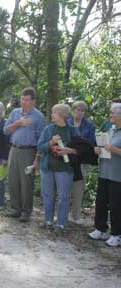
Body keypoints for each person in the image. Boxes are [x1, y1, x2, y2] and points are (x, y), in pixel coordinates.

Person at [4, 87, 45, 222]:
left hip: (29, 151)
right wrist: (19, 123)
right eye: (22, 99)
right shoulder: (15, 113)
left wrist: (37, 158)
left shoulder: (38, 116)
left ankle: (26, 212)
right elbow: (6, 130)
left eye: (27, 100)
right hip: (14, 150)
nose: (24, 102)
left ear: (33, 101)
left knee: (27, 182)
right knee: (13, 180)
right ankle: (15, 209)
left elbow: (41, 139)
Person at [37, 104, 79, 231]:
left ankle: (61, 224)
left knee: (63, 197)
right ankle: (48, 221)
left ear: (61, 115)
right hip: (47, 168)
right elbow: (39, 147)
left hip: (65, 169)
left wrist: (69, 150)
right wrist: (51, 142)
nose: (51, 115)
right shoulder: (48, 129)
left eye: (54, 113)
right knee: (47, 195)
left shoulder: (72, 130)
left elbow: (80, 150)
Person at [89, 103, 121, 247]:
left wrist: (114, 149)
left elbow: (113, 149)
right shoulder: (111, 129)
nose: (110, 115)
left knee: (116, 205)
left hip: (117, 175)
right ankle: (100, 229)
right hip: (104, 171)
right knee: (101, 201)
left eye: (113, 113)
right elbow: (105, 147)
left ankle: (116, 234)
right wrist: (98, 150)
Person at [67, 100, 96, 224]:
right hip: (67, 160)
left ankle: (76, 216)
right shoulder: (67, 122)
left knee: (78, 188)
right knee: (65, 187)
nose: (79, 112)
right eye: (77, 110)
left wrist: (76, 148)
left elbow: (90, 145)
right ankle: (64, 214)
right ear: (73, 111)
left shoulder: (89, 126)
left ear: (85, 112)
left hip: (82, 161)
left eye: (82, 110)